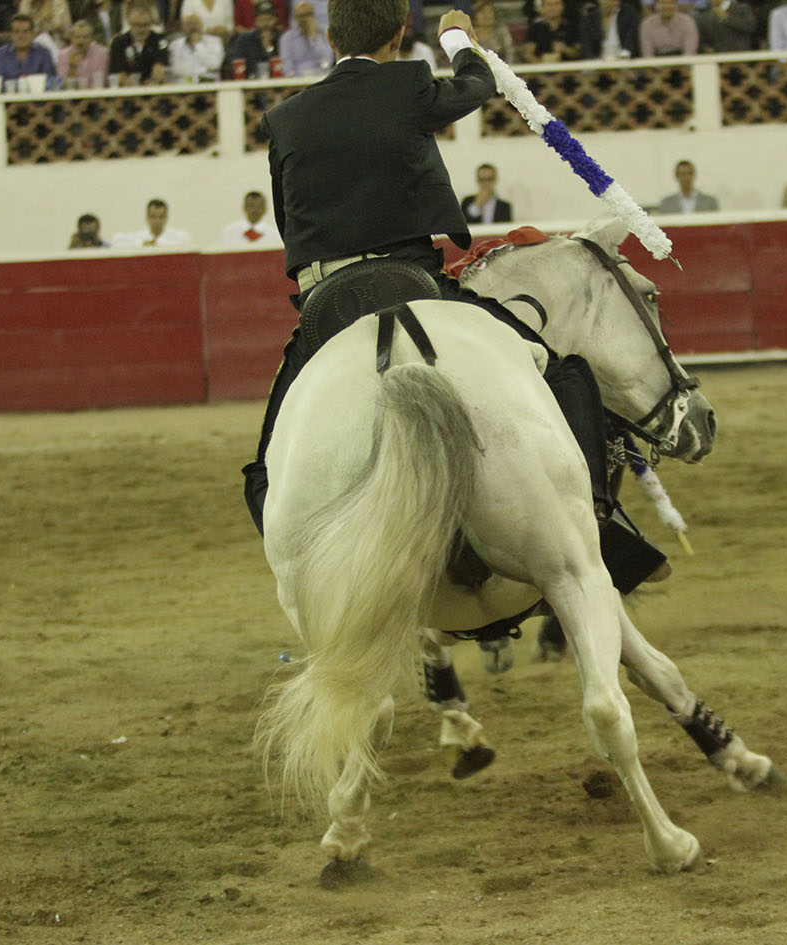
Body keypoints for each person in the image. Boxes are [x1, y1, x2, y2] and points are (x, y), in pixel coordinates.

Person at [246, 0, 652, 586]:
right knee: (563, 373)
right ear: (399, 33)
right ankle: (592, 524)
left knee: (264, 470)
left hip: (326, 302)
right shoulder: (405, 85)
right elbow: (477, 83)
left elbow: (290, 224)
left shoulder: (285, 118)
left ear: (331, 36)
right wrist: (459, 36)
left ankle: (307, 581)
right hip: (415, 287)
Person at [109, 0, 167, 85]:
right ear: (129, 23)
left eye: (145, 24)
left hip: (154, 89)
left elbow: (160, 67)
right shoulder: (118, 42)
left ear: (151, 23)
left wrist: (151, 84)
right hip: (127, 91)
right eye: (137, 25)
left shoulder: (160, 40)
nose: (141, 29)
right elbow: (119, 72)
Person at [0, 11, 57, 82]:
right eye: (16, 32)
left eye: (25, 31)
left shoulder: (44, 54)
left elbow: (49, 82)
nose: (21, 36)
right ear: (11, 34)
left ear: (33, 33)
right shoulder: (1, 55)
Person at [222, 0, 279, 78]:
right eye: (261, 20)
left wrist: (268, 46)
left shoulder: (282, 39)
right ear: (255, 21)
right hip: (249, 83)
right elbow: (233, 61)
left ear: (275, 20)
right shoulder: (245, 39)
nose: (265, 24)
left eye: (268, 20)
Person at [278, 0, 329, 77]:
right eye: (300, 16)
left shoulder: (323, 34)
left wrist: (313, 38)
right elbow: (287, 68)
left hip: (321, 78)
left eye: (307, 15)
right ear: (295, 17)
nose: (304, 19)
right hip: (296, 82)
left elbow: (327, 61)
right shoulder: (287, 38)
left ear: (313, 15)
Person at [111, 198, 192, 246]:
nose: (157, 221)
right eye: (153, 217)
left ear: (167, 218)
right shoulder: (138, 238)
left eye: (161, 217)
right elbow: (116, 240)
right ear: (147, 218)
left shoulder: (181, 237)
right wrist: (143, 244)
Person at [653, 159, 719, 213]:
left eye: (689, 173)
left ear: (694, 175)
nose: (686, 178)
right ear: (676, 176)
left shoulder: (710, 202)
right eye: (682, 174)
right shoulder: (666, 204)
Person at [57, 18, 109, 85]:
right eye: (78, 37)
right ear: (71, 39)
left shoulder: (101, 53)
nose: (81, 41)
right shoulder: (63, 55)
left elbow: (101, 82)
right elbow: (61, 85)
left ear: (91, 39)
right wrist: (72, 69)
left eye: (85, 37)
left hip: (95, 94)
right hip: (72, 95)